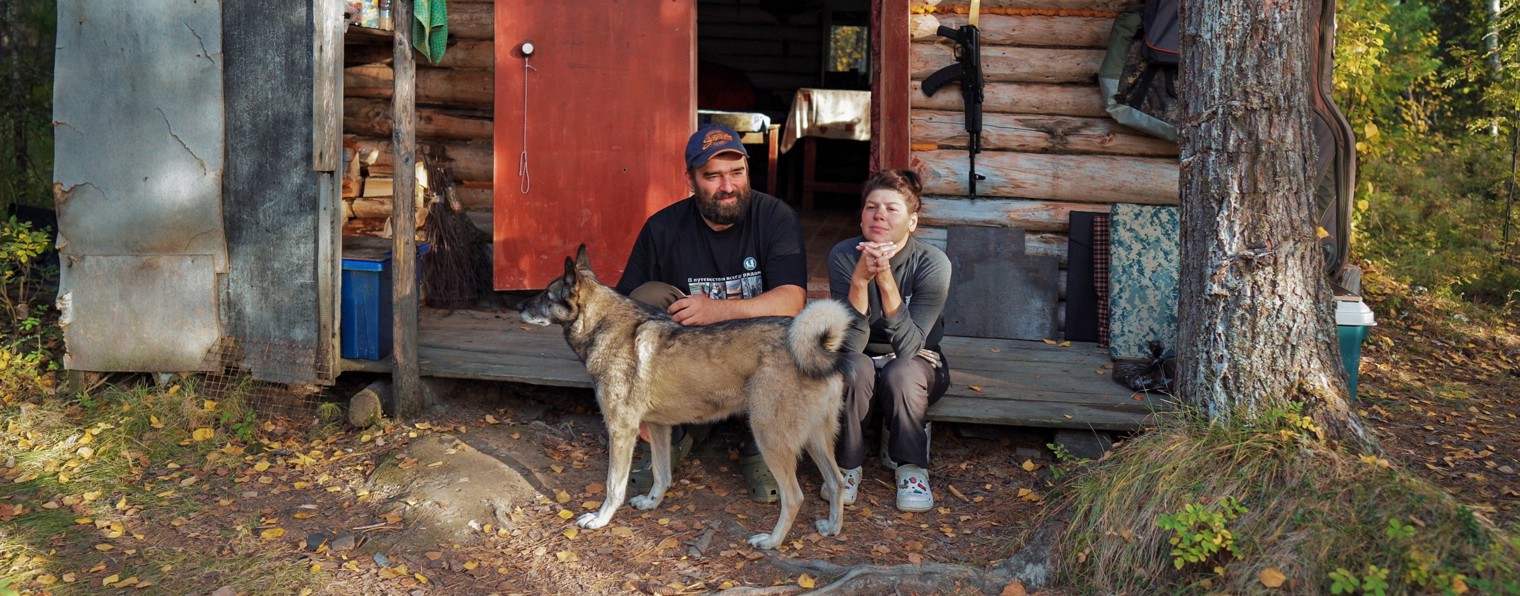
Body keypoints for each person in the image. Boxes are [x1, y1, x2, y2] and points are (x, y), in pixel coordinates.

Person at [613, 123, 808, 503]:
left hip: (759, 366)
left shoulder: (775, 217)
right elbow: (623, 314)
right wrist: (631, 400)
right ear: (690, 180)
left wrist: (716, 309)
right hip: (693, 370)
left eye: (736, 173)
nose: (728, 186)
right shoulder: (663, 227)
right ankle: (677, 430)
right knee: (646, 297)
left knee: (785, 339)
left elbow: (792, 301)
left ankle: (762, 442)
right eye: (713, 176)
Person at [825, 168, 952, 512]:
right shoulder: (843, 255)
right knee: (854, 365)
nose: (879, 214)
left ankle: (911, 469)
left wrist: (884, 279)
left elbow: (911, 349)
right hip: (861, 359)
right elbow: (850, 345)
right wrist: (858, 282)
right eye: (871, 207)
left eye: (892, 209)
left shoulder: (932, 263)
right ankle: (846, 467)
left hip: (916, 365)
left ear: (912, 222)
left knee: (903, 371)